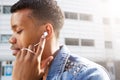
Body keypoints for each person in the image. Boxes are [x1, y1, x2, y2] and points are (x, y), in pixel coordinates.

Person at [9, 0, 111, 80]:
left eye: (18, 31)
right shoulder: (21, 74)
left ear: (47, 31)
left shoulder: (88, 75)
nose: (11, 40)